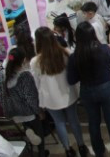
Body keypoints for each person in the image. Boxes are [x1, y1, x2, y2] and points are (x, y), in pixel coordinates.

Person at [67, 22, 110, 157]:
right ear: (93, 34)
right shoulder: (104, 49)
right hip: (106, 88)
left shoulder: (74, 56)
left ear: (77, 37)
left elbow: (71, 80)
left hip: (87, 91)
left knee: (93, 123)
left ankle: (99, 151)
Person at [31, 26, 88, 157]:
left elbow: (36, 83)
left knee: (59, 123)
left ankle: (68, 150)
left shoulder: (36, 61)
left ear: (38, 42)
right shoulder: (65, 53)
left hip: (50, 99)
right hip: (69, 94)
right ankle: (81, 146)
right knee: (74, 120)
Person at [0, 47, 47, 157]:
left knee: (27, 127)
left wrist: (7, 112)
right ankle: (41, 153)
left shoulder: (1, 75)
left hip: (14, 113)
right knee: (39, 132)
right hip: (28, 113)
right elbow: (31, 98)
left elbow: (1, 97)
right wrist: (39, 111)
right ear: (23, 60)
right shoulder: (25, 76)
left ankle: (28, 133)